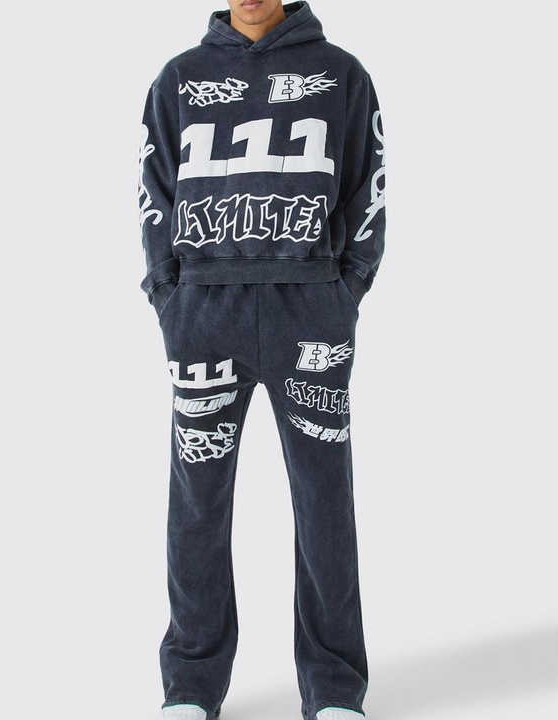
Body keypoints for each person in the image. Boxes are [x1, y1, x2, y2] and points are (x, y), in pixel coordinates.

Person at [138, 2, 385, 719]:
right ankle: (191, 685)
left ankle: (334, 688)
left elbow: (368, 187)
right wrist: (169, 296)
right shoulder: (178, 80)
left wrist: (344, 292)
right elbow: (154, 193)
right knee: (197, 500)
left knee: (324, 497)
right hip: (203, 314)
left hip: (310, 309)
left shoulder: (341, 75)